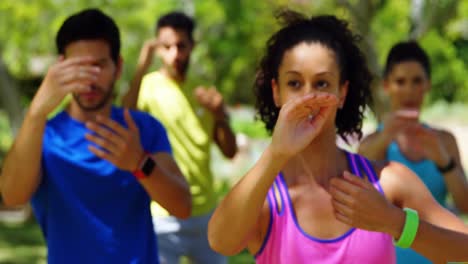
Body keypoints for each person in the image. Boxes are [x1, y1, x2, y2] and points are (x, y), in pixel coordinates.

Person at [207, 10, 468, 264]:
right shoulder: (264, 199)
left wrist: (395, 223)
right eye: (294, 83)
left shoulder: (388, 182)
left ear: (342, 93)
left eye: (322, 83)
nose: (308, 97)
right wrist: (275, 153)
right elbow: (220, 243)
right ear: (276, 92)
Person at [0, 8, 191, 264]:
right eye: (78, 66)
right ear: (60, 68)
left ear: (118, 66)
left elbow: (182, 206)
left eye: (99, 65)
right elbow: (12, 197)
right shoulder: (42, 135)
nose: (89, 79)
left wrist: (139, 163)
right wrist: (36, 112)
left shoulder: (142, 129)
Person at [122, 11, 237, 264]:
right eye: (167, 46)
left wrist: (220, 116)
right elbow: (124, 119)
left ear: (192, 46)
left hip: (206, 212)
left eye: (181, 46)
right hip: (162, 213)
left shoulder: (203, 91)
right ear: (157, 48)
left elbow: (230, 151)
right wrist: (142, 64)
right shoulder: (147, 87)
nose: (175, 53)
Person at [358, 41, 468, 263]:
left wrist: (443, 161)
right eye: (400, 82)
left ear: (427, 85)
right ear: (386, 86)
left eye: (417, 81)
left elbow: (464, 205)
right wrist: (385, 139)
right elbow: (360, 205)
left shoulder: (444, 141)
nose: (409, 90)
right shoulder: (370, 143)